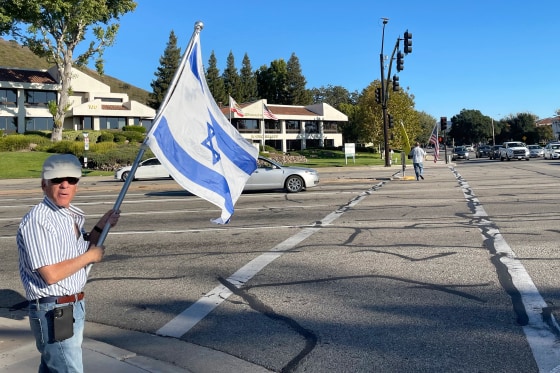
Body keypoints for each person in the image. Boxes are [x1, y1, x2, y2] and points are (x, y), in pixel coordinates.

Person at [17, 154, 121, 372]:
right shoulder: (39, 220)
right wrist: (90, 257)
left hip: (71, 306)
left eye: (71, 180)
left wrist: (102, 225)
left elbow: (81, 248)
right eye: (57, 180)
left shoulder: (69, 215)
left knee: (53, 367)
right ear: (44, 183)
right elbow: (51, 274)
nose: (65, 185)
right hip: (55, 309)